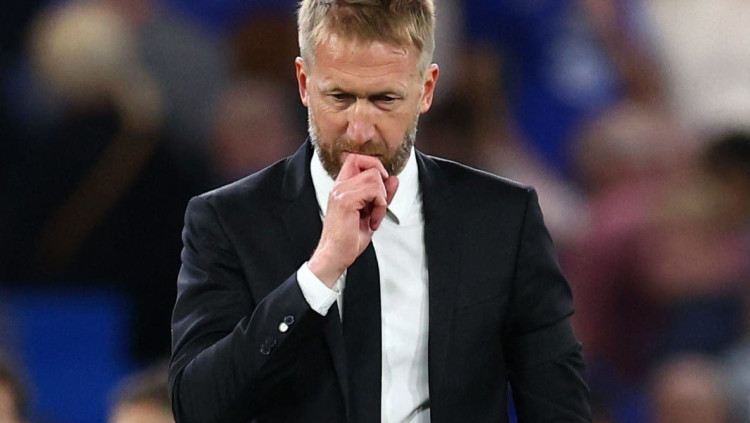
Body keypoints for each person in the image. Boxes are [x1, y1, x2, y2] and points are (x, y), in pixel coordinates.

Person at [169, 1, 591, 422]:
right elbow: (197, 407)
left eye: (385, 99)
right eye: (339, 97)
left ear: (426, 89)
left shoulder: (502, 220)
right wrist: (318, 274)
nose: (359, 130)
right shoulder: (228, 221)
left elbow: (559, 408)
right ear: (304, 82)